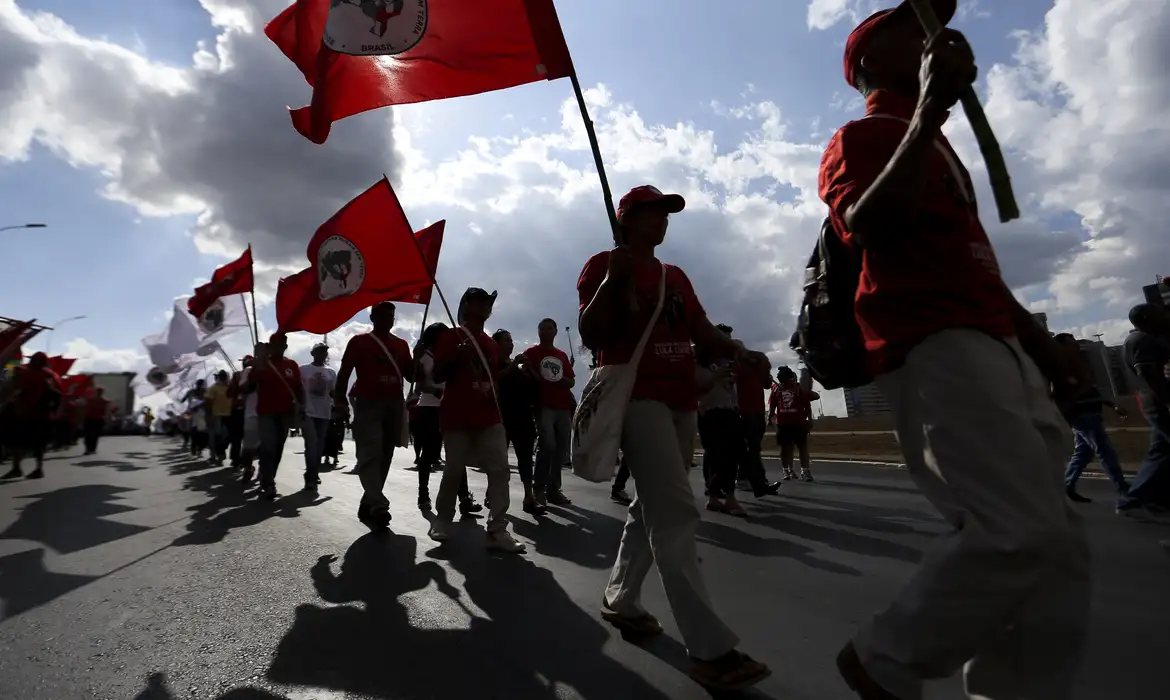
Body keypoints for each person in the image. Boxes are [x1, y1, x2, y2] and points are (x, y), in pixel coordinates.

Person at [821, 3, 1090, 698]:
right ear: (870, 60)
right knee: (1017, 532)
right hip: (934, 340)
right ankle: (884, 657)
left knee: (1058, 551)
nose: (933, 36)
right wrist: (928, 112)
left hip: (994, 340)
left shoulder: (935, 146)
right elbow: (869, 225)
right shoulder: (865, 134)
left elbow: (975, 266)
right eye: (914, 28)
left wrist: (1040, 346)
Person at [578, 184, 771, 690]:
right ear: (627, 218)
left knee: (651, 507)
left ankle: (621, 599)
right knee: (677, 513)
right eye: (654, 212)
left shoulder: (674, 276)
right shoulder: (602, 265)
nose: (663, 220)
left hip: (682, 401)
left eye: (667, 213)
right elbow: (592, 333)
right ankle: (710, 649)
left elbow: (700, 330)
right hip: (637, 398)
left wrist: (738, 351)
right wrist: (613, 282)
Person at [427, 288, 526, 553]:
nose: (485, 307)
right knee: (453, 469)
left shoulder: (491, 344)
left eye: (488, 303)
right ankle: (442, 519)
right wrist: (455, 357)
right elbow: (437, 375)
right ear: (467, 305)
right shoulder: (451, 336)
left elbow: (492, 379)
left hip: (488, 414)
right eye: (480, 302)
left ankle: (497, 529)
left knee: (500, 469)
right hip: (457, 413)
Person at [333, 302, 412, 527]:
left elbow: (411, 375)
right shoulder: (359, 342)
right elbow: (344, 373)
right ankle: (378, 504)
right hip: (368, 403)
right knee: (370, 453)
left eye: (391, 315)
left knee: (386, 454)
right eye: (383, 314)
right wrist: (340, 400)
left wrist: (417, 357)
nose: (388, 318)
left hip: (394, 403)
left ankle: (369, 501)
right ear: (373, 318)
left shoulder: (401, 344)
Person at [1051, 334, 1130, 502]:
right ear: (1061, 347)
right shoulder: (1059, 367)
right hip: (1082, 416)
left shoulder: (1078, 363)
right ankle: (1123, 489)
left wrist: (1111, 404)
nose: (1075, 343)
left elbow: (1092, 391)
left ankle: (1067, 487)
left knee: (1083, 453)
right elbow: (1057, 396)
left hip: (1091, 413)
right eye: (1070, 341)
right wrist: (1071, 410)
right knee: (1105, 451)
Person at [1116, 303, 1170, 517]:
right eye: (1160, 314)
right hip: (1159, 403)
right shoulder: (1143, 340)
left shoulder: (1143, 338)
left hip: (1155, 403)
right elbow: (1148, 375)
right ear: (1147, 319)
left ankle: (1138, 500)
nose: (1165, 316)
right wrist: (1167, 401)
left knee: (1160, 452)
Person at [523, 318, 576, 507]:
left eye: (549, 328)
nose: (545, 331)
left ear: (555, 331)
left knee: (560, 450)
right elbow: (524, 374)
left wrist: (559, 379)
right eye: (542, 328)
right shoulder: (530, 353)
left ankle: (554, 490)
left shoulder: (561, 355)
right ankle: (538, 488)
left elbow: (571, 381)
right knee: (547, 445)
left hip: (562, 407)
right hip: (542, 405)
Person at [494, 329, 544, 515]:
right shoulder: (495, 364)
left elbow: (537, 385)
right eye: (506, 340)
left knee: (525, 459)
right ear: (497, 344)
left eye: (511, 340)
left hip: (523, 417)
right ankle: (494, 495)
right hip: (503, 417)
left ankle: (529, 497)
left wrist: (529, 369)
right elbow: (496, 379)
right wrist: (514, 365)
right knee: (499, 461)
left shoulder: (520, 369)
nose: (510, 343)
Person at [696, 332, 746, 515]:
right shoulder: (700, 364)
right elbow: (699, 387)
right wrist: (716, 376)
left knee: (733, 455)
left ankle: (726, 496)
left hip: (729, 410)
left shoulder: (725, 363)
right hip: (710, 412)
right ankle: (716, 496)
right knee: (716, 455)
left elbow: (739, 346)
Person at [250, 334, 303, 500]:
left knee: (278, 447)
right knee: (269, 446)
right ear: (270, 346)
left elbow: (298, 388)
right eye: (274, 344)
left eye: (281, 345)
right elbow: (250, 384)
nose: (278, 348)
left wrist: (302, 408)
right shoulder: (262, 363)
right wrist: (259, 360)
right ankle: (268, 483)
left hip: (285, 412)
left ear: (285, 346)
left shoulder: (291, 365)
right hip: (266, 412)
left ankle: (267, 476)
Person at [0, 352, 63, 479]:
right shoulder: (52, 375)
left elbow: (8, 385)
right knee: (37, 443)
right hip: (42, 415)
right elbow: (59, 394)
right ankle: (37, 468)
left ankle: (18, 468)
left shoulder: (24, 372)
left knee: (18, 442)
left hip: (24, 414)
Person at [768, 367, 820, 481]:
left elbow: (807, 405)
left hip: (799, 422)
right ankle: (786, 470)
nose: (777, 376)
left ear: (787, 376)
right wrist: (769, 417)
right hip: (782, 423)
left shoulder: (798, 388)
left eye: (780, 374)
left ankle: (805, 471)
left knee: (802, 446)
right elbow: (772, 405)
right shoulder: (775, 388)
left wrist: (810, 420)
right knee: (785, 447)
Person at [300, 343, 337, 494]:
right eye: (319, 351)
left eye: (324, 352)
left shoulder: (330, 372)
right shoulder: (303, 370)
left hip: (324, 413)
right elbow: (297, 389)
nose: (322, 354)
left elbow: (333, 392)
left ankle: (313, 473)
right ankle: (311, 476)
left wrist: (340, 407)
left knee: (319, 446)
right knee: (311, 445)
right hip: (308, 412)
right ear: (313, 353)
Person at [203, 371, 233, 466]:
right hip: (217, 416)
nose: (225, 378)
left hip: (229, 416)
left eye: (226, 376)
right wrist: (209, 415)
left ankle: (220, 453)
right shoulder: (213, 388)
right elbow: (208, 402)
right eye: (223, 376)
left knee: (226, 437)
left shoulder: (231, 387)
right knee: (217, 436)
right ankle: (217, 456)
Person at [82, 386, 111, 455]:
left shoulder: (103, 401)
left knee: (92, 435)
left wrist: (107, 420)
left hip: (95, 419)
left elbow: (107, 411)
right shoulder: (92, 400)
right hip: (92, 419)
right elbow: (107, 412)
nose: (99, 393)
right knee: (91, 435)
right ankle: (90, 449)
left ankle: (90, 449)